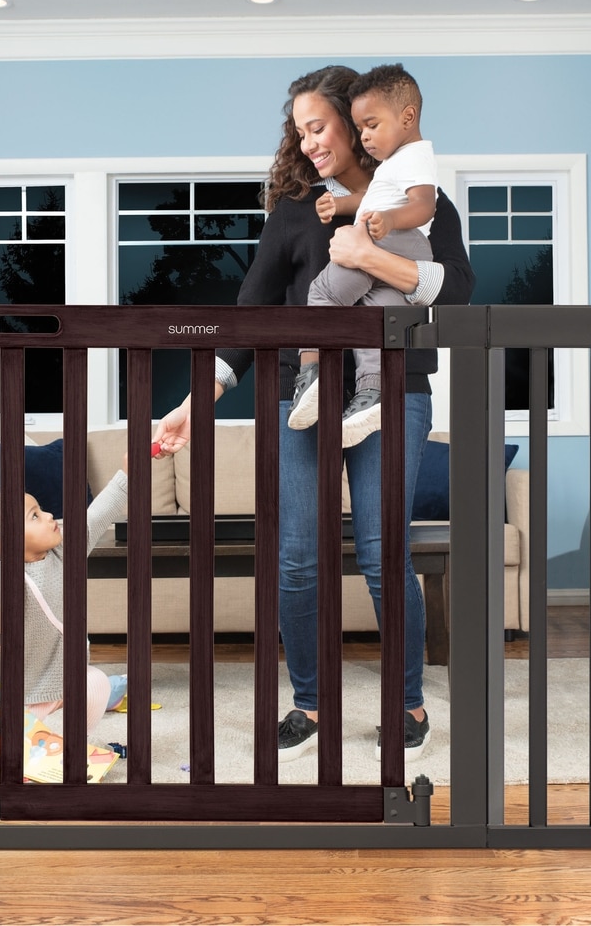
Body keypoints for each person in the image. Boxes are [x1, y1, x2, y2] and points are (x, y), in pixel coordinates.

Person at [152, 65, 475, 763]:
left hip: (395, 395)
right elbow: (249, 317)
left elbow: (457, 294)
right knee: (297, 559)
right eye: (300, 133)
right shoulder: (297, 214)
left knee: (383, 556)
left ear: (356, 125)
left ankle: (407, 706)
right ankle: (309, 704)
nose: (309, 144)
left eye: (319, 127)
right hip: (298, 399)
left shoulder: (420, 201)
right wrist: (190, 406)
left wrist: (367, 254)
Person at [290, 63, 437, 449]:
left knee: (324, 292)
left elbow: (424, 205)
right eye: (361, 129)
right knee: (377, 318)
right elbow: (374, 197)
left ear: (407, 117)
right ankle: (373, 394)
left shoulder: (414, 157)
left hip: (396, 239)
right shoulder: (397, 164)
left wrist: (388, 222)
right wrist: (340, 206)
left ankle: (314, 373)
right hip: (400, 247)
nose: (366, 136)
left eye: (372, 125)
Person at [0, 455, 130, 737]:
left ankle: (72, 742)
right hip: (28, 684)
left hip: (68, 671)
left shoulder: (64, 550)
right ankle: (3, 753)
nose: (49, 515)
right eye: (35, 516)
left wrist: (126, 474)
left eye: (40, 509)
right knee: (10, 739)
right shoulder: (10, 571)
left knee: (97, 684)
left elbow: (96, 515)